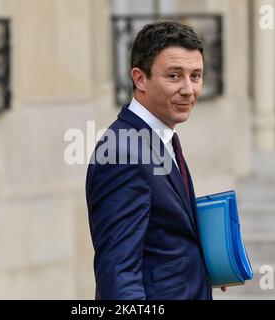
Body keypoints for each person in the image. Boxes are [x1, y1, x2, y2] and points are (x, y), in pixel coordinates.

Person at [86, 21, 224, 300]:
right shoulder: (121, 152)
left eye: (195, 76)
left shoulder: (163, 136)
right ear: (140, 78)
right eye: (174, 76)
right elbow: (118, 273)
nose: (189, 89)